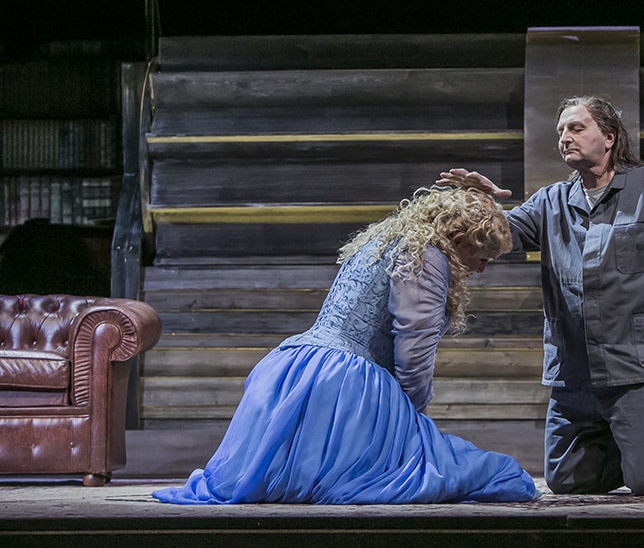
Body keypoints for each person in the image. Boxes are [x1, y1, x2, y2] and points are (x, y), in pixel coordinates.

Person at [152, 186, 538, 504]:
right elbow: (413, 346)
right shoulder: (428, 257)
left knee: (284, 475)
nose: (481, 269)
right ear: (457, 239)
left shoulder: (382, 240)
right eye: (481, 256)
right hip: (348, 386)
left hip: (296, 369)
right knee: (497, 474)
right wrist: (411, 410)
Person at [438, 95, 644, 496]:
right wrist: (479, 204)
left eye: (576, 128)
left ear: (609, 137)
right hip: (575, 373)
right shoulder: (550, 201)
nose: (565, 137)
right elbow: (498, 237)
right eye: (560, 130)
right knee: (566, 480)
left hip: (637, 368)